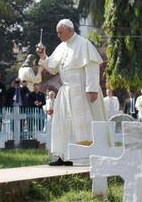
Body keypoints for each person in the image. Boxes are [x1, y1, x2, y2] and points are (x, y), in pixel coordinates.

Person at [37, 19, 106, 166]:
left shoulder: (84, 44)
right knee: (63, 123)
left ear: (70, 30)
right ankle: (64, 155)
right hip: (65, 91)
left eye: (60, 32)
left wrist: (92, 89)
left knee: (83, 123)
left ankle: (84, 156)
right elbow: (52, 68)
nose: (58, 35)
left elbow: (92, 68)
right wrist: (43, 56)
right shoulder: (61, 47)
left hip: (81, 91)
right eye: (57, 32)